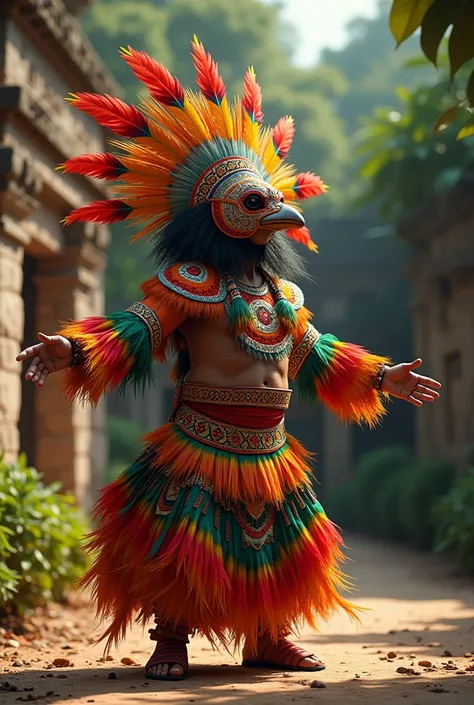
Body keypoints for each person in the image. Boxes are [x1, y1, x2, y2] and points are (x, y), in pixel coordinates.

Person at [17, 40, 441, 681]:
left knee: (283, 550)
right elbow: (138, 327)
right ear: (216, 214)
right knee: (184, 544)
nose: (276, 213)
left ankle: (268, 637)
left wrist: (383, 376)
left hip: (269, 447)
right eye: (255, 205)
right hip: (200, 444)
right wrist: (72, 347)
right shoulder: (190, 282)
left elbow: (316, 352)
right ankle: (172, 640)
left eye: (273, 203)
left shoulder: (284, 297)